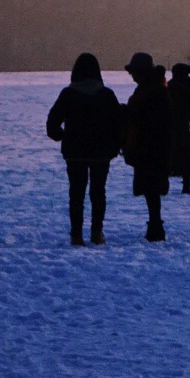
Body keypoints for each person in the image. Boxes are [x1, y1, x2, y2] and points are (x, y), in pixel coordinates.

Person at [46, 53, 122, 246]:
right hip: (101, 153)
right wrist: (115, 145)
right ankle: (97, 232)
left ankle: (76, 235)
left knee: (76, 194)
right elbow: (118, 124)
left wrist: (62, 136)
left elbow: (52, 124)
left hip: (75, 153)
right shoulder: (106, 95)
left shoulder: (68, 94)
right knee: (98, 193)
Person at [122, 52, 174, 241]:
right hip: (154, 146)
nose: (132, 76)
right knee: (151, 188)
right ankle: (155, 224)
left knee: (151, 188)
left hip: (151, 147)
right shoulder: (156, 89)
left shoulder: (153, 92)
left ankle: (155, 226)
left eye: (134, 72)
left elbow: (148, 120)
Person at [168, 62, 190, 194]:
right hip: (189, 125)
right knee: (187, 152)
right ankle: (186, 184)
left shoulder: (170, 87)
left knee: (171, 151)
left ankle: (171, 181)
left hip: (173, 126)